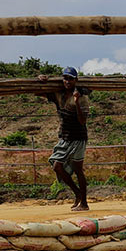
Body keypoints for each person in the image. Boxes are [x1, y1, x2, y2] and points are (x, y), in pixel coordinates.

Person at [40, 66, 89, 211]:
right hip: (65, 136)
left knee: (78, 170)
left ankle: (84, 203)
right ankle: (78, 193)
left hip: (78, 137)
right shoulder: (59, 95)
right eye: (65, 78)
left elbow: (82, 121)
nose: (67, 81)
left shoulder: (82, 97)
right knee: (57, 166)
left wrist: (77, 101)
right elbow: (38, 92)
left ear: (76, 80)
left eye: (70, 78)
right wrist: (41, 80)